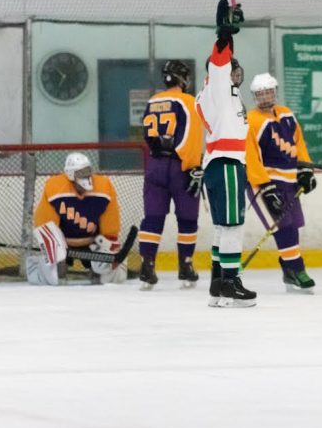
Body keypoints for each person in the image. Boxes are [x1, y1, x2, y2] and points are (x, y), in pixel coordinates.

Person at [196, 0, 255, 308]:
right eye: (232, 66)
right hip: (227, 164)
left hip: (222, 165)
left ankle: (218, 285)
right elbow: (218, 61)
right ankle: (231, 283)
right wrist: (224, 34)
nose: (236, 70)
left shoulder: (220, 94)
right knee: (233, 226)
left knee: (222, 227)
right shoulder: (217, 86)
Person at [245, 73, 318, 292]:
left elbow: (299, 143)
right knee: (283, 226)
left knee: (293, 225)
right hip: (264, 183)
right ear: (255, 96)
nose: (265, 97)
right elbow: (250, 156)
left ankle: (288, 271)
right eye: (260, 94)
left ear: (275, 91)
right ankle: (297, 269)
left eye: (269, 92)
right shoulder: (251, 120)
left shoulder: (286, 114)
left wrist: (305, 169)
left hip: (289, 182)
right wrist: (265, 187)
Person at [138, 60, 205, 290]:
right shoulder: (188, 101)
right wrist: (194, 166)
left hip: (155, 163)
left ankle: (147, 265)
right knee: (187, 218)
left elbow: (147, 135)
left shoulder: (153, 100)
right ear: (183, 79)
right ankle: (185, 265)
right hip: (180, 166)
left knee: (152, 218)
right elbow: (191, 136)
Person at [28, 153, 128, 285]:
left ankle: (112, 267)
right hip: (63, 244)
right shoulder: (55, 187)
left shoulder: (104, 187)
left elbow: (110, 221)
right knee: (54, 277)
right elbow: (44, 222)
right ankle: (38, 267)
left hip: (92, 243)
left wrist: (108, 248)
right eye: (81, 172)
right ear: (70, 175)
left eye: (87, 171)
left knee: (105, 276)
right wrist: (54, 249)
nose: (86, 176)